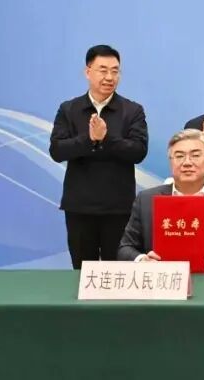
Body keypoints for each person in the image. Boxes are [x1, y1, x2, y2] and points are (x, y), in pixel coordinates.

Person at [50, 45, 148, 270]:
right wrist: (89, 139)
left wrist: (106, 139)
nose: (109, 77)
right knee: (84, 273)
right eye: (103, 70)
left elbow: (138, 151)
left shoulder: (132, 111)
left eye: (115, 71)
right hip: (80, 208)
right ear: (88, 72)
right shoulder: (69, 109)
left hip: (119, 208)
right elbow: (57, 150)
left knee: (119, 273)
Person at [118, 129, 204, 271]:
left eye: (195, 155)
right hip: (163, 279)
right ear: (171, 163)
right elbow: (125, 248)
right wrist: (142, 260)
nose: (187, 163)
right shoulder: (146, 200)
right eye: (179, 156)